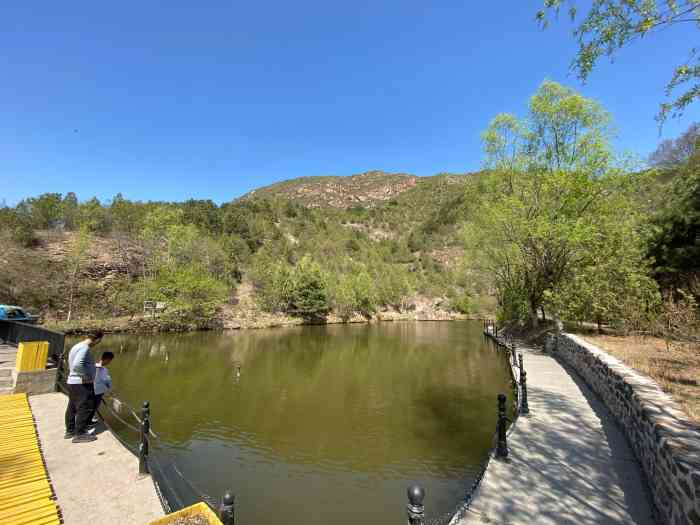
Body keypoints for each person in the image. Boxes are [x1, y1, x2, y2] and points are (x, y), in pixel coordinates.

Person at [64, 330, 103, 443]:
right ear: (98, 339)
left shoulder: (77, 346)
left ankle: (70, 431)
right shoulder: (85, 348)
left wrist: (93, 366)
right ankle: (80, 434)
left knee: (72, 407)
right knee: (85, 407)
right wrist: (85, 376)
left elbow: (73, 363)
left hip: (72, 382)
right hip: (80, 383)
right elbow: (77, 365)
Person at [90, 351, 114, 424]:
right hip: (96, 392)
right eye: (110, 360)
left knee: (91, 407)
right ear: (107, 359)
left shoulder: (93, 366)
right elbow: (106, 381)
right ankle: (87, 423)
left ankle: (89, 420)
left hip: (94, 390)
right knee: (93, 407)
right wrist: (110, 390)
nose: (110, 362)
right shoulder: (101, 368)